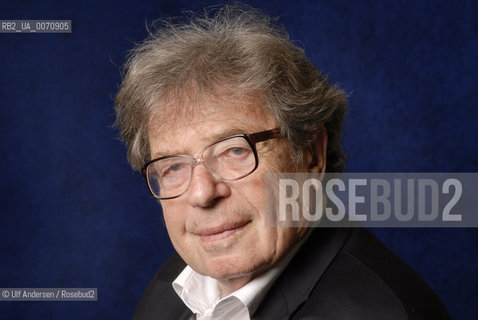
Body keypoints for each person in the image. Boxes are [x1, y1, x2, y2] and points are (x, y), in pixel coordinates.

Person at [114, 5, 450, 320]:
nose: (202, 194)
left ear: (311, 153)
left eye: (234, 150)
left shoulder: (376, 313)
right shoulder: (172, 287)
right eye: (173, 166)